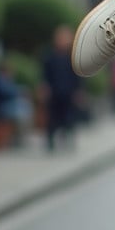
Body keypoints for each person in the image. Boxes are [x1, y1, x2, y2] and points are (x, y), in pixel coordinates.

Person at [41, 23, 82, 152]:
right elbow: (44, 74)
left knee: (69, 118)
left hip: (69, 92)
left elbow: (79, 75)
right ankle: (50, 142)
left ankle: (68, 140)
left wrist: (79, 91)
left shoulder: (73, 57)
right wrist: (43, 87)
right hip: (54, 92)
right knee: (53, 118)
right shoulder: (49, 56)